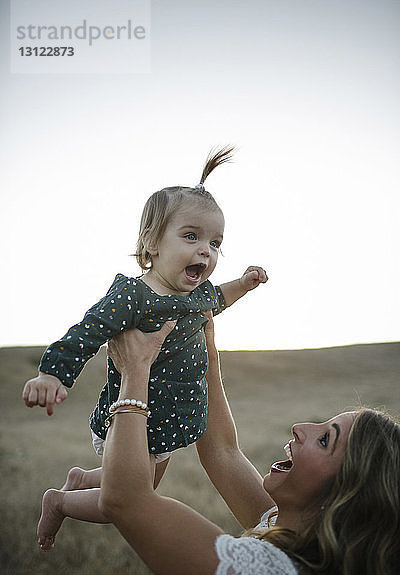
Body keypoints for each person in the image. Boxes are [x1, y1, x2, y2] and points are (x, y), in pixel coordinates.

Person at [23, 146, 268, 551]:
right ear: (152, 242)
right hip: (135, 417)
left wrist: (243, 283)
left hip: (172, 417)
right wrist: (52, 372)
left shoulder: (196, 293)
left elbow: (217, 300)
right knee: (127, 501)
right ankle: (60, 501)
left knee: (141, 484)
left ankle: (83, 479)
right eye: (191, 236)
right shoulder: (133, 296)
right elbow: (88, 330)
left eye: (215, 242)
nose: (206, 250)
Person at [96, 316, 399, 575]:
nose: (300, 428)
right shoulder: (283, 527)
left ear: (345, 495)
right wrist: (204, 356)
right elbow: (222, 452)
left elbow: (126, 499)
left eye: (324, 440)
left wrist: (135, 369)